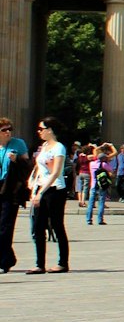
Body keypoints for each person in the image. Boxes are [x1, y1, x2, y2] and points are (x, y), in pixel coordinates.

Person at [25, 117, 71, 274]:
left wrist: (41, 192)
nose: (39, 132)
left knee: (57, 225)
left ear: (50, 130)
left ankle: (63, 263)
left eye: (41, 129)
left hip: (54, 190)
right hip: (40, 188)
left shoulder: (59, 148)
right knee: (38, 227)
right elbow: (39, 169)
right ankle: (39, 264)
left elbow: (55, 172)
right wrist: (34, 187)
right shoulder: (44, 147)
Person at [0, 118, 30, 273]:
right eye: (4, 130)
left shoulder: (18, 144)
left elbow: (28, 166)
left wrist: (16, 159)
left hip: (11, 189)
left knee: (5, 226)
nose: (8, 132)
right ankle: (9, 257)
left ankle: (4, 262)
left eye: (9, 129)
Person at [85, 142, 114, 225]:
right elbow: (111, 170)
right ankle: (100, 220)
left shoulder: (91, 164)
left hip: (93, 185)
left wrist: (99, 147)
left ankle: (89, 220)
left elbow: (95, 152)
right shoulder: (104, 164)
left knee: (91, 203)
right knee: (101, 202)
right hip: (102, 185)